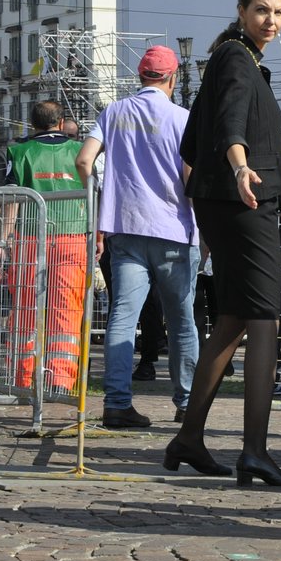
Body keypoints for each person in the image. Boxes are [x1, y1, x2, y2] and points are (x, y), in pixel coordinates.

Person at [167, 0, 281, 485]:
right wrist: (241, 165)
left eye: (279, 13)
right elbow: (227, 122)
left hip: (230, 199)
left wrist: (229, 166)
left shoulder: (234, 59)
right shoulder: (236, 59)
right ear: (242, 10)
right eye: (262, 10)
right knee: (264, 316)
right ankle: (255, 451)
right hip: (244, 199)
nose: (271, 20)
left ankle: (189, 437)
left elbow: (190, 141)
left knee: (233, 319)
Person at [74, 45, 199, 429]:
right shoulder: (183, 117)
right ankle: (188, 402)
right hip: (174, 230)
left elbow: (83, 160)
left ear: (140, 77)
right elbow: (191, 175)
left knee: (122, 318)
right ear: (173, 79)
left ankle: (116, 402)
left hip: (125, 228)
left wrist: (102, 201)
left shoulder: (113, 112)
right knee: (181, 321)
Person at [0, 100, 86, 396]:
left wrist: (3, 240)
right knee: (67, 308)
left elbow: (11, 201)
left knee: (24, 308)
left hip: (30, 239)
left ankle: (23, 379)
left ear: (32, 124)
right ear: (61, 123)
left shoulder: (19, 152)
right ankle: (60, 380)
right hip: (72, 236)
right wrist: (97, 236)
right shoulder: (80, 152)